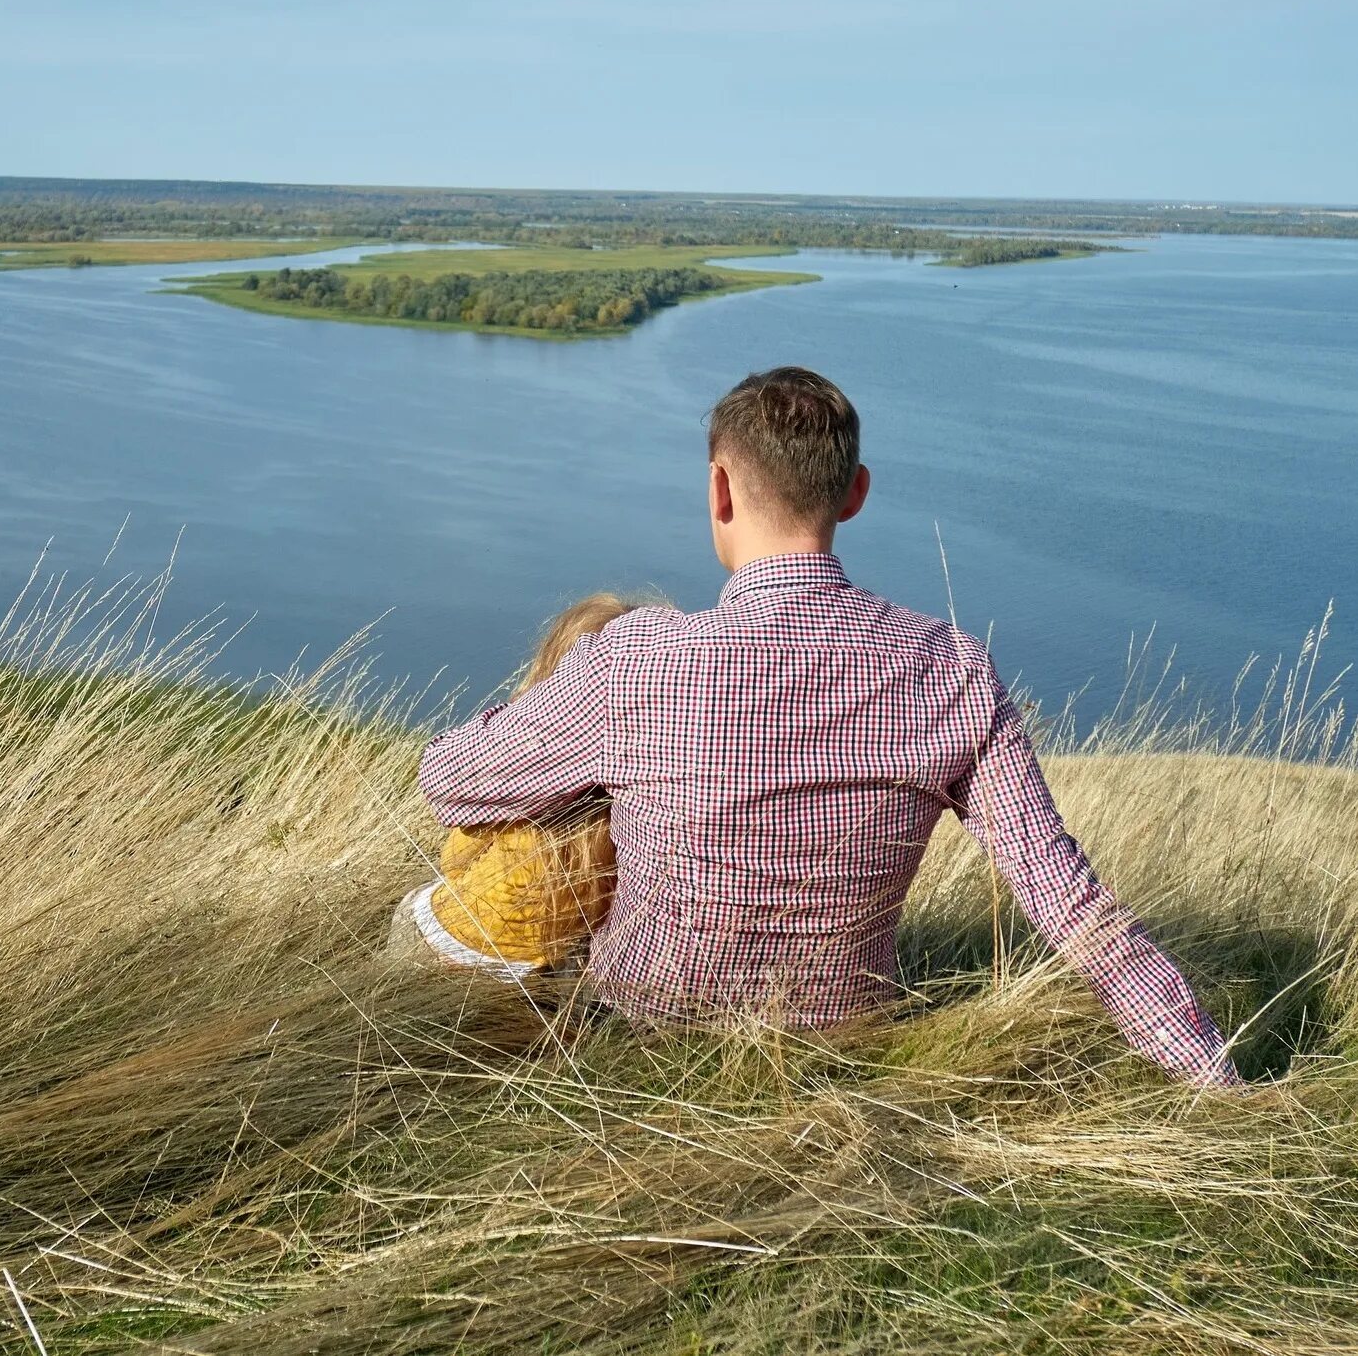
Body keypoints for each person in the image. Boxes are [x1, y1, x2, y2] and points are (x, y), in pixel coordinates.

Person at [418, 367, 1239, 1086]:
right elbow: (1069, 903)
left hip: (640, 1042)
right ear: (854, 492)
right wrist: (1212, 1076)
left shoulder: (636, 659)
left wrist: (564, 699)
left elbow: (451, 781)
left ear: (720, 490)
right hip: (843, 1050)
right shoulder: (948, 669)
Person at [389, 594, 631, 979]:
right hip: (555, 963)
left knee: (414, 903)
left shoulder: (516, 772)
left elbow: (455, 860)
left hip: (462, 939)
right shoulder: (639, 789)